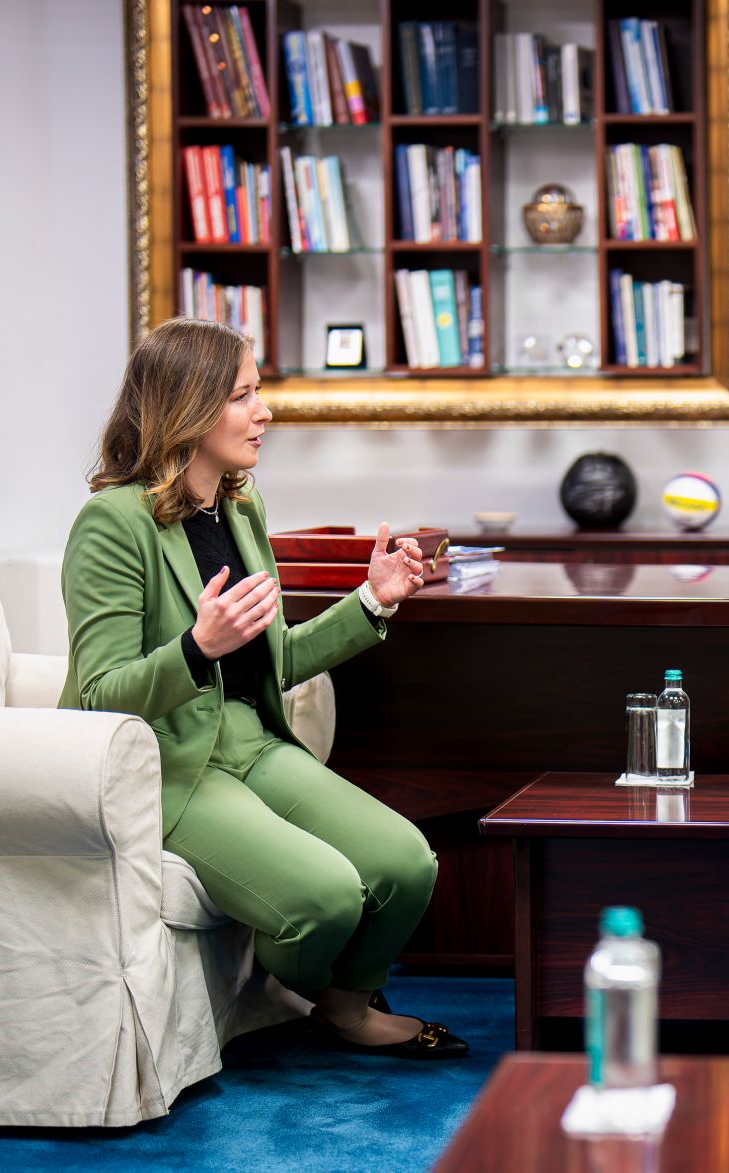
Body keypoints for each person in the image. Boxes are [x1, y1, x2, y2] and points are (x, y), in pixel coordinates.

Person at [61, 317, 467, 1059]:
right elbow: (98, 698)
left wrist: (372, 601)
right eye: (244, 396)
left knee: (407, 864)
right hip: (169, 765)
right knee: (326, 898)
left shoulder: (240, 507)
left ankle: (345, 1007)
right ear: (189, 406)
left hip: (253, 741)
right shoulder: (111, 524)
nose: (265, 412)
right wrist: (195, 648)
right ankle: (300, 990)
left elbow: (272, 660)